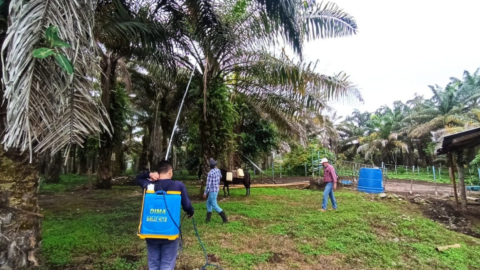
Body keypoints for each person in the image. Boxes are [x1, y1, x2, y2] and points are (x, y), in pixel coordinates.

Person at [136, 160, 194, 270]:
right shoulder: (178, 185)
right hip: (169, 233)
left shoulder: (149, 185)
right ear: (170, 172)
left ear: (157, 172)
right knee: (167, 264)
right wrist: (190, 212)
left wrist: (148, 174)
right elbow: (187, 206)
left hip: (150, 231)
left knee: (153, 264)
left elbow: (137, 178)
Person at [203, 158, 228, 223]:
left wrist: (205, 193)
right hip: (216, 189)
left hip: (212, 191)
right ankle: (208, 219)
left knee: (214, 205)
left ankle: (225, 219)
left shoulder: (210, 173)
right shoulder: (218, 170)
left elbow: (208, 185)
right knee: (208, 203)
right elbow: (220, 177)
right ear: (215, 166)